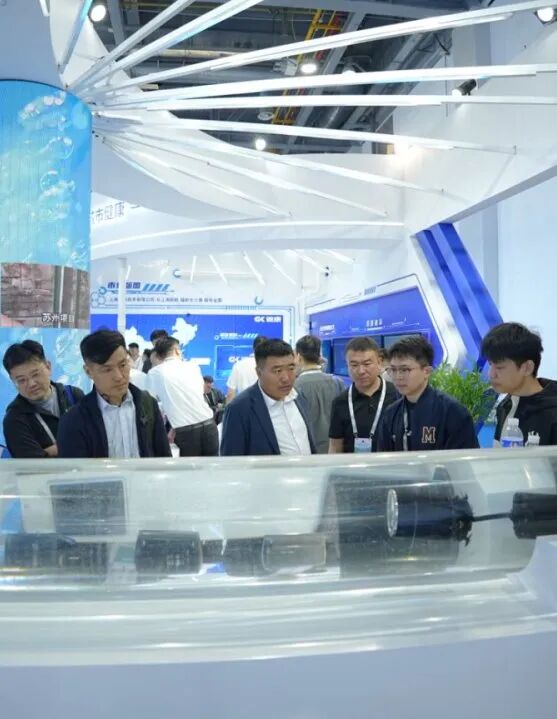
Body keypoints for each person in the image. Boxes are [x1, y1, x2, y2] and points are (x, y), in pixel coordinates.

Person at [57, 330, 171, 458]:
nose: (118, 376)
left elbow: (163, 459)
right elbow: (74, 469)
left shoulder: (148, 404)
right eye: (107, 369)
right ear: (88, 372)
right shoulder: (74, 420)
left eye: (123, 365)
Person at [375, 335, 479, 451]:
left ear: (427, 371)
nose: (398, 377)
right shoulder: (391, 414)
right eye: (393, 370)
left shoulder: (453, 412)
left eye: (404, 370)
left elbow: (462, 458)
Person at [221, 338, 316, 456]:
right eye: (278, 371)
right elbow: (232, 460)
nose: (286, 378)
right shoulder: (239, 409)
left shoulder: (299, 397)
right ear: (259, 372)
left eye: (291, 368)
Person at [2, 340, 84, 458]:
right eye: (21, 380)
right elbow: (31, 463)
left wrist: (50, 451)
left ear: (48, 367)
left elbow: (95, 440)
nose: (31, 384)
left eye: (35, 374)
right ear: (13, 380)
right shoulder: (14, 419)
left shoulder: (74, 395)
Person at [481, 322, 557, 446]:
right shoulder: (505, 405)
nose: (491, 374)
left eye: (500, 368)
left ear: (527, 368)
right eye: (490, 365)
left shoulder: (553, 413)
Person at [147, 337, 218, 456]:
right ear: (176, 350)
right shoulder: (193, 366)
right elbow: (198, 394)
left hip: (186, 433)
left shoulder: (155, 373)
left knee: (190, 468)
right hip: (210, 426)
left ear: (158, 355)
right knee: (212, 466)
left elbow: (150, 401)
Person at [329, 336, 398, 454]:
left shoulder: (397, 395)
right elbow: (335, 446)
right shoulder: (340, 402)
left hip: (391, 464)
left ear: (379, 362)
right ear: (347, 365)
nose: (361, 371)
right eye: (354, 365)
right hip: (352, 465)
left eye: (367, 364)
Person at [294, 334, 345, 454]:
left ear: (299, 357)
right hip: (337, 449)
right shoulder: (338, 382)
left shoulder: (295, 387)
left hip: (308, 450)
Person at [226, 335, 267, 402]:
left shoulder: (238, 365)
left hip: (244, 405)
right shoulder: (271, 366)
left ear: (253, 348)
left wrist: (228, 408)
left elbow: (230, 394)